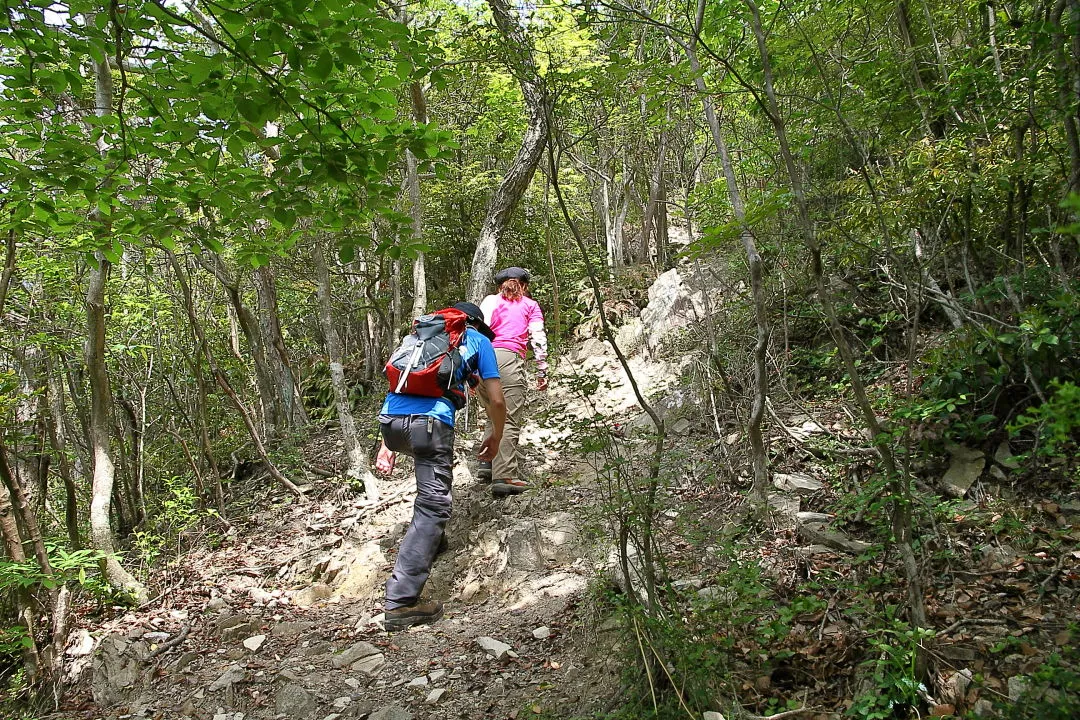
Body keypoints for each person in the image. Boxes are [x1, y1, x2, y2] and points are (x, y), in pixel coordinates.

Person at [375, 302, 506, 630]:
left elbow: (399, 386)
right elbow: (498, 400)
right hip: (430, 424)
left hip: (391, 424)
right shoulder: (479, 342)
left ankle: (433, 542)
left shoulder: (420, 340)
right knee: (433, 506)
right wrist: (496, 436)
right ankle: (401, 602)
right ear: (474, 324)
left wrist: (385, 447)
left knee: (429, 493)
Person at [477, 267, 549, 497]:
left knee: (493, 412)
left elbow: (479, 329)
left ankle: (487, 464)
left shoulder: (490, 301)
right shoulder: (530, 305)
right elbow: (537, 337)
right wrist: (542, 370)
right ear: (524, 285)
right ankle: (505, 475)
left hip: (482, 357)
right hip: (508, 358)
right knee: (508, 418)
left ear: (500, 286)